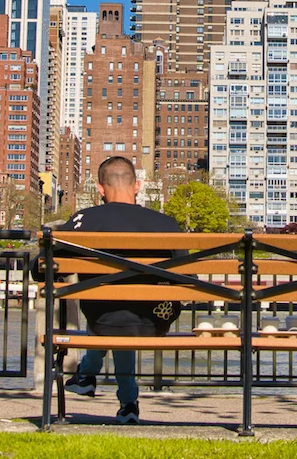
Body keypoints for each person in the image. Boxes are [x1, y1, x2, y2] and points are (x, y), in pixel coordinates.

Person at [59, 156, 182, 425]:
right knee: (126, 317)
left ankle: (88, 377)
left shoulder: (83, 220)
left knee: (114, 318)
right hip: (154, 322)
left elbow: (46, 266)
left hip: (102, 321)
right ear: (137, 186)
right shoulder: (166, 223)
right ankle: (126, 404)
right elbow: (187, 279)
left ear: (100, 189)